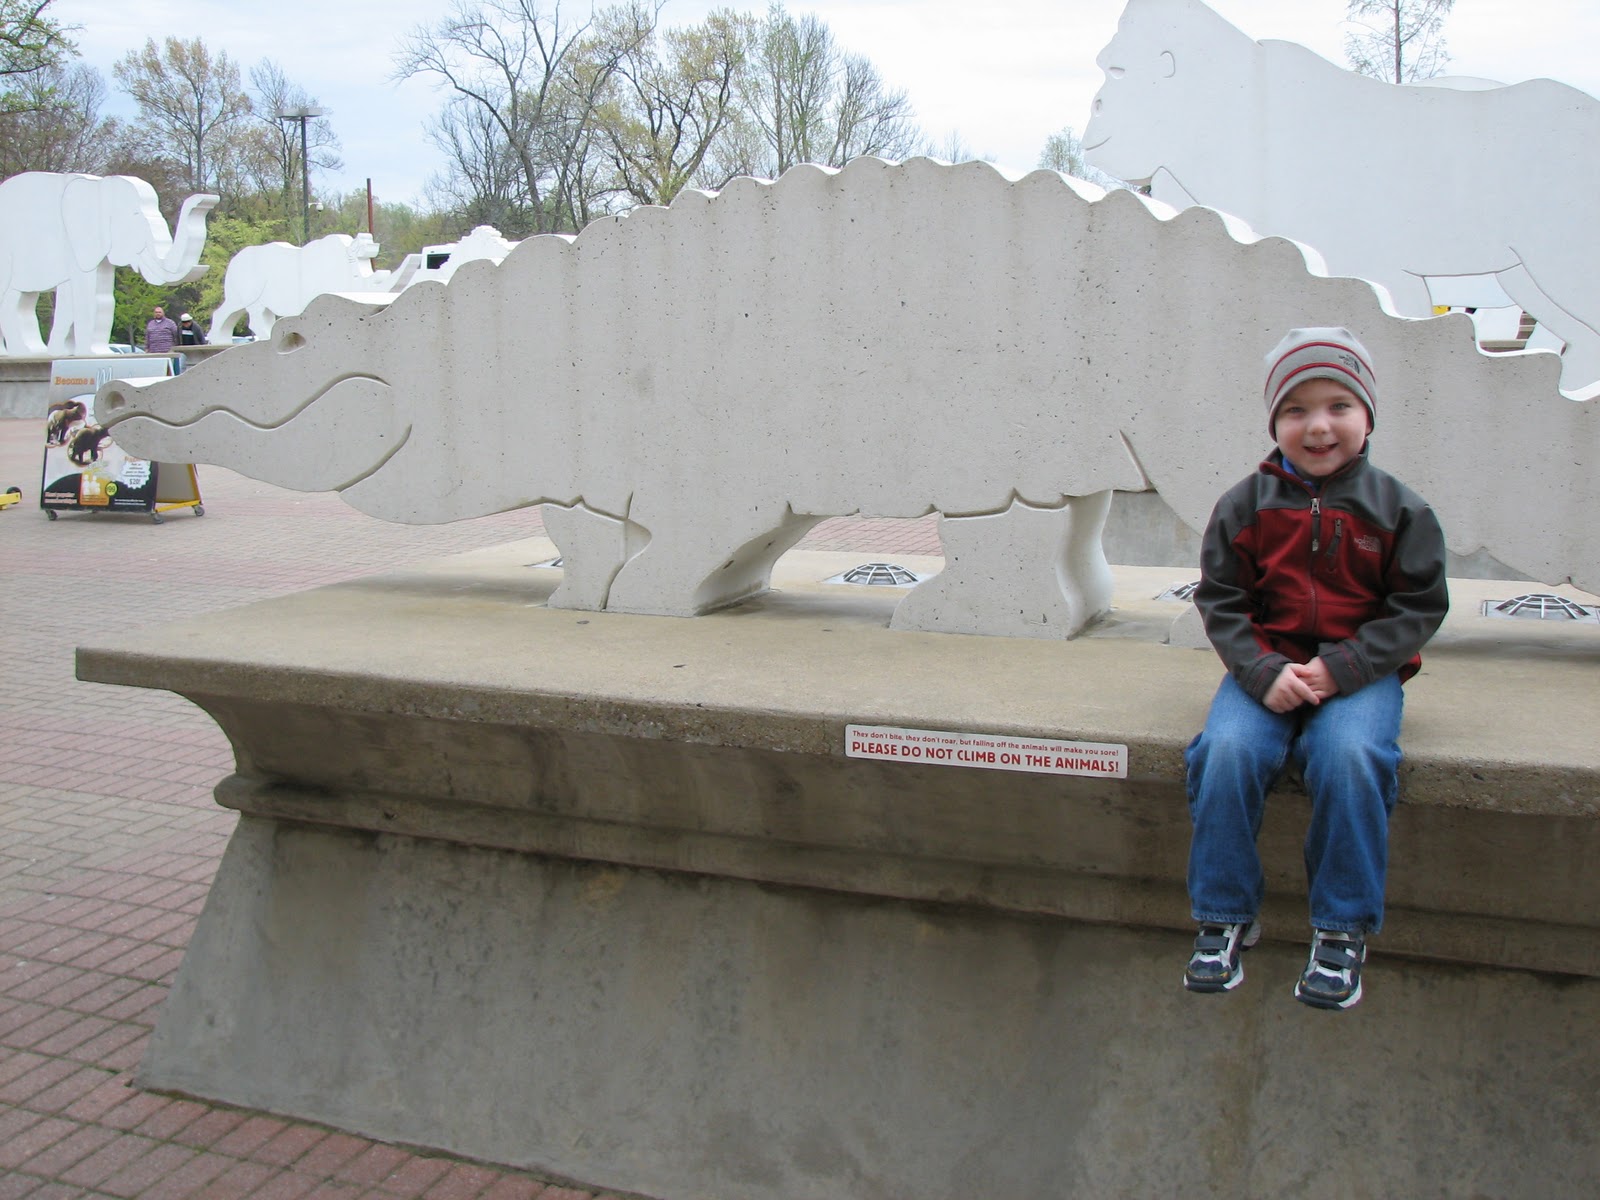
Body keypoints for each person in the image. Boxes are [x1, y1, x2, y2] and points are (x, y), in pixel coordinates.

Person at [1182, 327, 1448, 1011]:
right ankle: (1223, 913)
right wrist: (1261, 669)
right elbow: (1222, 600)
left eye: (1338, 406)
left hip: (1360, 673)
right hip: (1266, 667)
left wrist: (1345, 667)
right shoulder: (1243, 506)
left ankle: (1341, 926)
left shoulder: (1402, 510)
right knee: (1226, 751)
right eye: (1295, 410)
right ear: (1274, 422)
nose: (1319, 425)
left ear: (1368, 417)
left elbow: (1417, 607)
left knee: (1351, 756)